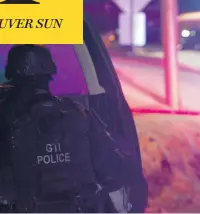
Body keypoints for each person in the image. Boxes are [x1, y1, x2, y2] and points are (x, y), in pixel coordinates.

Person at [0, 45, 130, 212]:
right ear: (50, 75)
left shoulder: (5, 117)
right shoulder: (78, 113)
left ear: (12, 78)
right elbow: (114, 167)